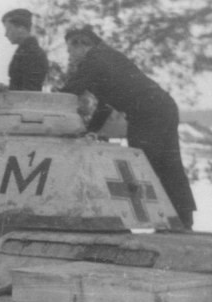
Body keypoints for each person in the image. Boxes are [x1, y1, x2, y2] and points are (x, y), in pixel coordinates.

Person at [60, 26, 196, 229]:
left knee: (144, 164)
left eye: (70, 49)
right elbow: (105, 103)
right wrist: (92, 129)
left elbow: (71, 91)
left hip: (146, 112)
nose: (69, 54)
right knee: (169, 162)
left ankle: (163, 219)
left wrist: (50, 101)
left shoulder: (94, 59)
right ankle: (182, 218)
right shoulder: (108, 57)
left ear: (82, 44)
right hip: (163, 105)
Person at [1, 8, 49, 91]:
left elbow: (30, 91)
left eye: (8, 29)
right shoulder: (24, 52)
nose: (5, 34)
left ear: (21, 28)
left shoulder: (33, 54)